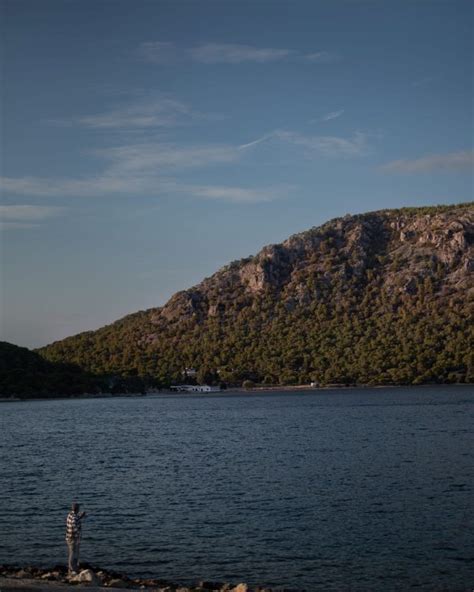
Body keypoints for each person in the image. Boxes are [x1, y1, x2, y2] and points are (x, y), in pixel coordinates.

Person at [65, 502, 86, 574]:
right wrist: (78, 537)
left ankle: (74, 567)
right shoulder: (74, 517)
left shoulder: (70, 515)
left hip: (69, 537)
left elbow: (75, 519)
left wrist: (81, 516)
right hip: (73, 538)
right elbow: (75, 526)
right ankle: (72, 569)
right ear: (77, 509)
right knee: (73, 553)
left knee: (73, 552)